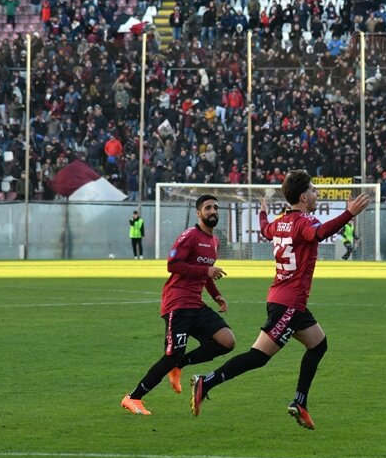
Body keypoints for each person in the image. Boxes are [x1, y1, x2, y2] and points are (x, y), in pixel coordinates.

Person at [190, 170, 371, 430]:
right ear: (303, 197)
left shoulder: (283, 221)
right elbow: (319, 234)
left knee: (319, 344)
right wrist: (349, 213)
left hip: (287, 301)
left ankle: (300, 402)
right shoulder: (304, 222)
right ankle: (205, 382)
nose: (316, 194)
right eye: (313, 190)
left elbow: (265, 229)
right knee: (258, 356)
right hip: (289, 304)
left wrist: (263, 212)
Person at [121, 195, 236, 416]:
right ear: (198, 213)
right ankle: (133, 397)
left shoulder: (214, 241)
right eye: (208, 208)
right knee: (172, 354)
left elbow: (207, 275)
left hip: (196, 304)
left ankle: (179, 364)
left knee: (227, 341)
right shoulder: (189, 236)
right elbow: (173, 264)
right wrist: (206, 271)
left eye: (216, 208)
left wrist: (217, 296)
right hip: (178, 303)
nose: (213, 211)